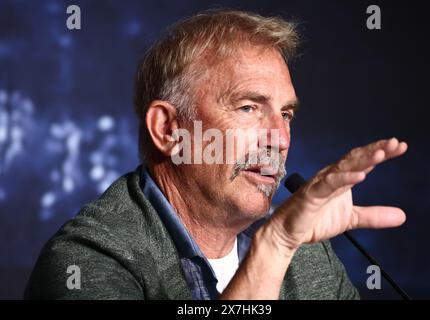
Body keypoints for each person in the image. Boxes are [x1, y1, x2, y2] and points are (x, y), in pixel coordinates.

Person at [25, 9, 408, 300]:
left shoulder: (306, 254)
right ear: (168, 130)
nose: (280, 137)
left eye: (286, 114)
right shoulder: (86, 261)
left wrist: (283, 244)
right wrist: (273, 246)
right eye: (248, 108)